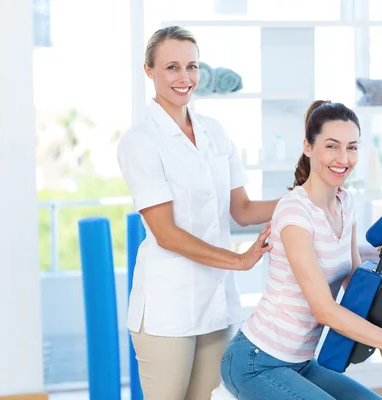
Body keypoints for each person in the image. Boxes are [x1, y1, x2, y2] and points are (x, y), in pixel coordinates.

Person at [219, 100, 382, 400]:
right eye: (332, 146)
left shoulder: (346, 203)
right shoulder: (294, 213)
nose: (343, 158)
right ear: (307, 147)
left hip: (301, 363)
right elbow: (325, 310)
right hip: (256, 362)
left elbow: (360, 291)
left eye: (352, 147)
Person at [117, 26, 279, 400]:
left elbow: (242, 210)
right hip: (166, 308)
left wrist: (306, 196)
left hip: (216, 304)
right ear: (149, 71)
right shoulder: (140, 141)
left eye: (192, 66)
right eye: (171, 67)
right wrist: (238, 261)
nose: (184, 77)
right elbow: (166, 233)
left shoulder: (214, 132)